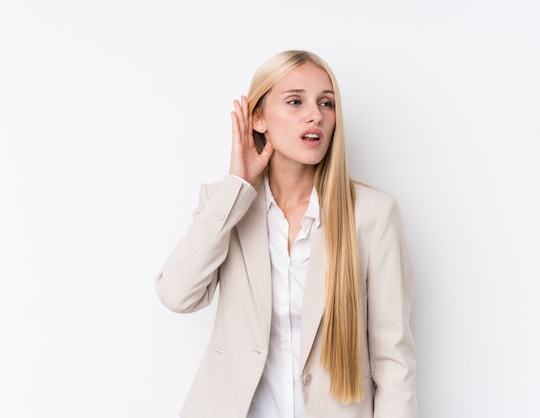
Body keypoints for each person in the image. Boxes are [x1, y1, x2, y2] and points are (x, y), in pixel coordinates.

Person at [155, 50, 417, 418]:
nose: (316, 115)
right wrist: (237, 186)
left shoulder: (374, 215)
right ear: (258, 118)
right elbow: (177, 295)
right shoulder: (224, 204)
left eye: (327, 103)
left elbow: (394, 362)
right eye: (296, 101)